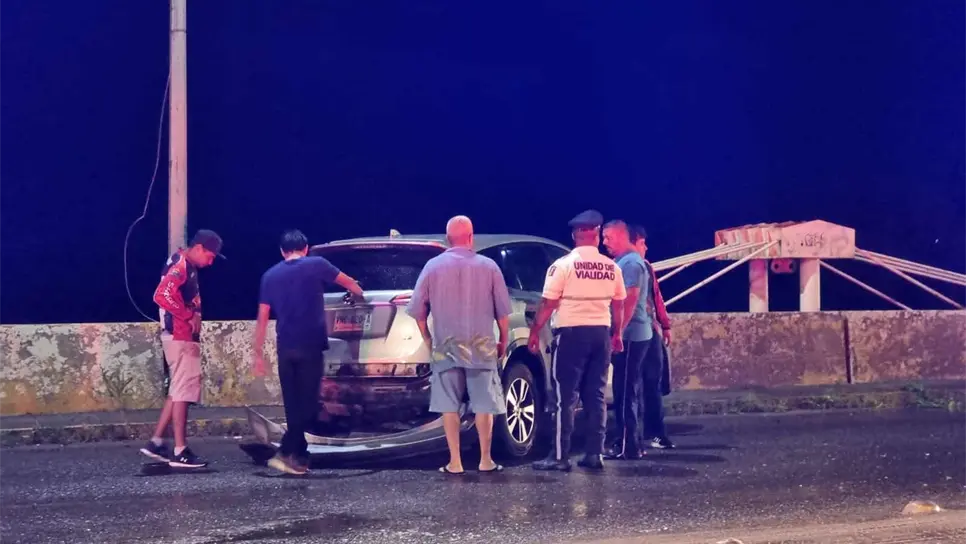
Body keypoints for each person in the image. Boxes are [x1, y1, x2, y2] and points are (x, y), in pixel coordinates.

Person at [252, 229, 364, 475]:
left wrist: (258, 354)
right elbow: (350, 285)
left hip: (285, 348)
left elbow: (262, 318)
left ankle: (299, 456)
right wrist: (359, 292)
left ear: (282, 251)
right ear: (306, 248)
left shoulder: (269, 275)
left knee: (293, 406)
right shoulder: (316, 264)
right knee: (309, 406)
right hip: (310, 345)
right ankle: (284, 452)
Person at [406, 216, 513, 475]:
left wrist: (429, 340)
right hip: (482, 344)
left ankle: (455, 462)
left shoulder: (432, 267)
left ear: (447, 239)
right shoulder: (489, 267)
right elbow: (503, 314)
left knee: (448, 405)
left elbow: (418, 312)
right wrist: (503, 340)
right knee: (484, 404)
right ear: (471, 237)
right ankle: (485, 460)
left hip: (445, 344)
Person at [528, 210, 626, 471]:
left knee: (565, 397)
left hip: (571, 333)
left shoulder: (563, 265)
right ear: (596, 235)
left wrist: (535, 331)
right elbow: (619, 304)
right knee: (596, 396)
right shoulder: (612, 267)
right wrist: (617, 333)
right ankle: (595, 453)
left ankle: (560, 456)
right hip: (601, 333)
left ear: (574, 235)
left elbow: (548, 303)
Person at [140, 229, 224, 468]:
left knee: (177, 390)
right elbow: (162, 294)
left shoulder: (182, 263)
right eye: (210, 255)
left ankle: (156, 442)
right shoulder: (182, 265)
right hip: (180, 336)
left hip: (178, 335)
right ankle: (180, 450)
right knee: (183, 393)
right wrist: (188, 315)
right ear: (198, 248)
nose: (212, 261)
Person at [601, 220, 653, 460]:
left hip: (631, 335)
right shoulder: (626, 262)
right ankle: (632, 442)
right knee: (628, 390)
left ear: (622, 236)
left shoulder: (631, 263)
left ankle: (626, 445)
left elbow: (629, 301)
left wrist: (617, 332)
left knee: (624, 392)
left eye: (608, 237)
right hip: (633, 334)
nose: (604, 242)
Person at [630, 224, 674, 449]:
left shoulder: (645, 266)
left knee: (650, 383)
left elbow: (656, 296)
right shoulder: (624, 266)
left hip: (650, 331)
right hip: (635, 334)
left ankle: (654, 433)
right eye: (642, 243)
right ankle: (636, 436)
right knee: (635, 386)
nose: (645, 247)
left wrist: (665, 326)